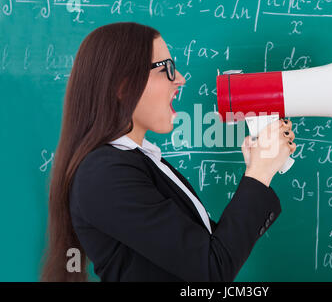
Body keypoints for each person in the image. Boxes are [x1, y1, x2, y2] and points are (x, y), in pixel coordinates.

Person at [40, 22, 296, 282]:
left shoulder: (136, 161)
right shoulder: (104, 174)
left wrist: (258, 169)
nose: (181, 79)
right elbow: (211, 268)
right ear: (123, 86)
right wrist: (258, 174)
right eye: (167, 69)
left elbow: (210, 250)